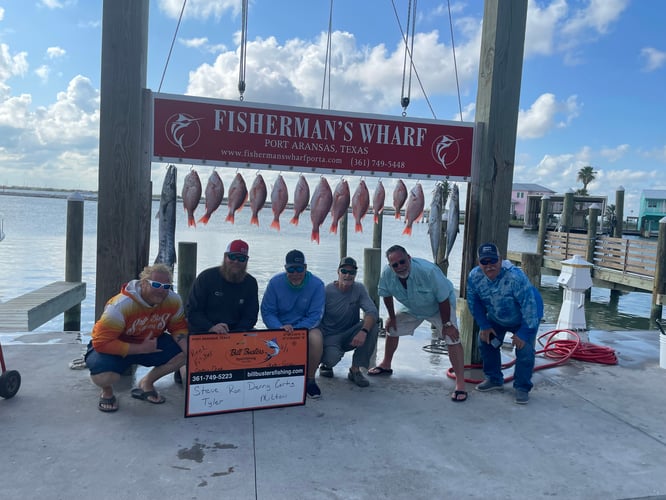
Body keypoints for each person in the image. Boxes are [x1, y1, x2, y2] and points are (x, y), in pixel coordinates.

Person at [368, 245, 468, 402]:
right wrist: (392, 317)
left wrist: (447, 324)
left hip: (439, 307)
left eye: (402, 262)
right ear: (390, 266)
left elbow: (443, 298)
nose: (400, 267)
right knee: (392, 328)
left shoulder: (429, 271)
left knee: (452, 338)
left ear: (409, 258)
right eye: (395, 265)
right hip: (412, 306)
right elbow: (386, 294)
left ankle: (460, 383)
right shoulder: (387, 274)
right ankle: (386, 364)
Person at [85, 263, 188, 412]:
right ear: (144, 283)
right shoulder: (121, 305)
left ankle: (147, 382)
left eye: (166, 287)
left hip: (151, 342)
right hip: (116, 345)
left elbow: (178, 327)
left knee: (185, 354)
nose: (161, 290)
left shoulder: (174, 301)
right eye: (156, 284)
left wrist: (189, 351)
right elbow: (101, 342)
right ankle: (107, 391)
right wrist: (140, 348)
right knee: (103, 376)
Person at [466, 242, 544, 405]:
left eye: (493, 261)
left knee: (525, 350)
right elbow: (474, 303)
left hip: (525, 316)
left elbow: (530, 306)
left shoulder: (515, 277)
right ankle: (494, 379)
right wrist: (484, 325)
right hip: (497, 316)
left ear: (500, 260)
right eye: (484, 262)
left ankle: (522, 387)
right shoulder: (474, 276)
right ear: (479, 263)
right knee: (486, 341)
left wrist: (523, 333)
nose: (489, 266)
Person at [261, 249, 325, 399]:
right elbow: (267, 311)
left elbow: (316, 315)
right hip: (279, 327)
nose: (295, 273)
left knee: (316, 338)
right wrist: (279, 328)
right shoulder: (274, 283)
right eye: (291, 269)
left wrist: (295, 330)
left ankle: (310, 380)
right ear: (285, 268)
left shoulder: (317, 285)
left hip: (305, 328)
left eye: (299, 269)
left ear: (306, 267)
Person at [311, 257, 379, 388]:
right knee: (331, 359)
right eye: (344, 271)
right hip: (330, 336)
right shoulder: (326, 291)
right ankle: (325, 364)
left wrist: (363, 332)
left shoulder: (359, 288)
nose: (348, 275)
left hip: (350, 334)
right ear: (338, 272)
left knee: (373, 326)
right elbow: (314, 317)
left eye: (352, 272)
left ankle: (355, 370)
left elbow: (372, 311)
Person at [186, 239, 259, 334]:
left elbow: (251, 316)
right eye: (232, 257)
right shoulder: (206, 277)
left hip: (237, 333)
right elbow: (192, 311)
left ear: (246, 261)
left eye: (241, 258)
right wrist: (211, 327)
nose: (236, 261)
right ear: (225, 257)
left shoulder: (251, 283)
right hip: (205, 331)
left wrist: (237, 332)